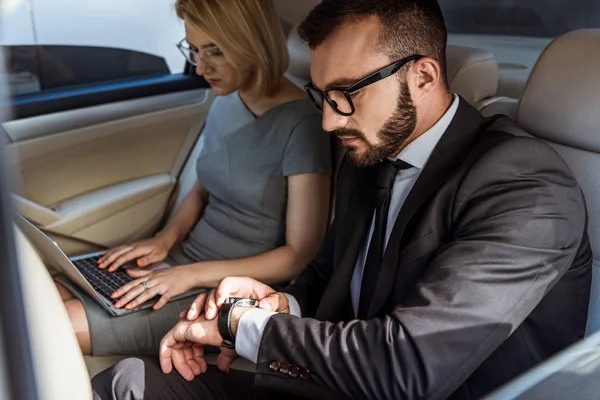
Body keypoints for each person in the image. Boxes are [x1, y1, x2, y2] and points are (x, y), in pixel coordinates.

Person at [92, 0, 593, 399]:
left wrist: (243, 326)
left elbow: (408, 369)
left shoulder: (528, 190)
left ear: (422, 76)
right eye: (321, 96)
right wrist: (275, 301)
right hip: (336, 377)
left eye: (346, 93)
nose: (330, 121)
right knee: (129, 381)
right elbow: (330, 282)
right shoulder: (370, 153)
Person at [55, 0, 332, 357]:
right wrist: (163, 240)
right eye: (195, 50)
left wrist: (189, 275)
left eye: (215, 52)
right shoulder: (225, 99)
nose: (201, 67)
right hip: (183, 260)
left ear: (252, 42)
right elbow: (202, 191)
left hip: (228, 286)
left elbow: (299, 256)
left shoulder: (303, 124)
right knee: (39, 295)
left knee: (55, 324)